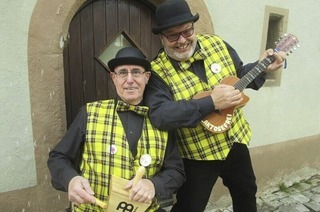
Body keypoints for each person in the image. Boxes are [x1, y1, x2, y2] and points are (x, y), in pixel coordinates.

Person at [144, 0, 287, 212]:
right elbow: (162, 115)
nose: (182, 40)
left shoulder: (217, 44)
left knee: (246, 192)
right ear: (162, 37)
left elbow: (238, 75)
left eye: (187, 31)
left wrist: (262, 68)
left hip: (234, 141)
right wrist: (211, 103)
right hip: (196, 154)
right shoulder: (156, 72)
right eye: (173, 35)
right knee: (190, 207)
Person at [47, 47, 185, 212]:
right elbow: (58, 157)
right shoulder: (89, 113)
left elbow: (176, 171)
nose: (129, 79)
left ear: (147, 77)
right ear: (113, 77)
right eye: (122, 73)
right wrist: (71, 180)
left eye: (136, 72)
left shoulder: (161, 120)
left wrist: (153, 185)